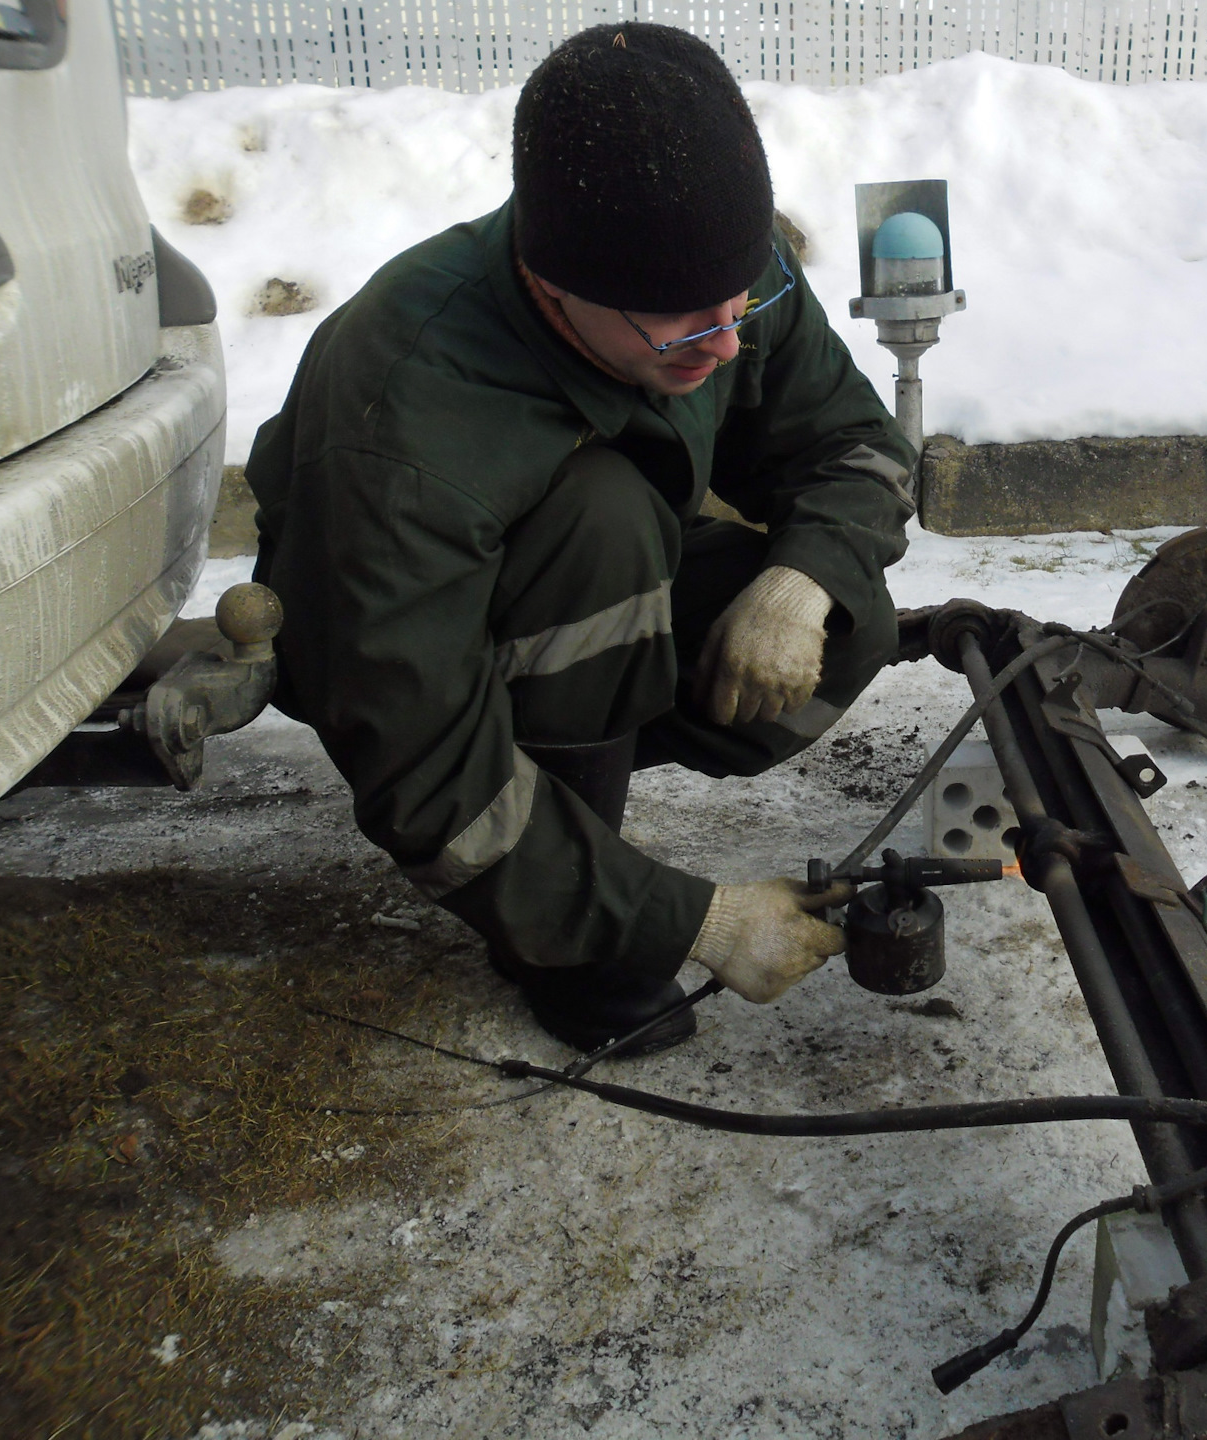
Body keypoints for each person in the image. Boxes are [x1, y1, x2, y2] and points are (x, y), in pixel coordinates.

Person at [244, 23, 915, 1055]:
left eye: (744, 301)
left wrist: (801, 576)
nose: (729, 342)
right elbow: (422, 777)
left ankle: (564, 798)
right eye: (687, 328)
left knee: (849, 618)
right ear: (553, 284)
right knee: (596, 522)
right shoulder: (404, 421)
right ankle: (562, 930)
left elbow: (855, 446)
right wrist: (699, 922)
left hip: (572, 594)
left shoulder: (709, 278)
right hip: (393, 651)